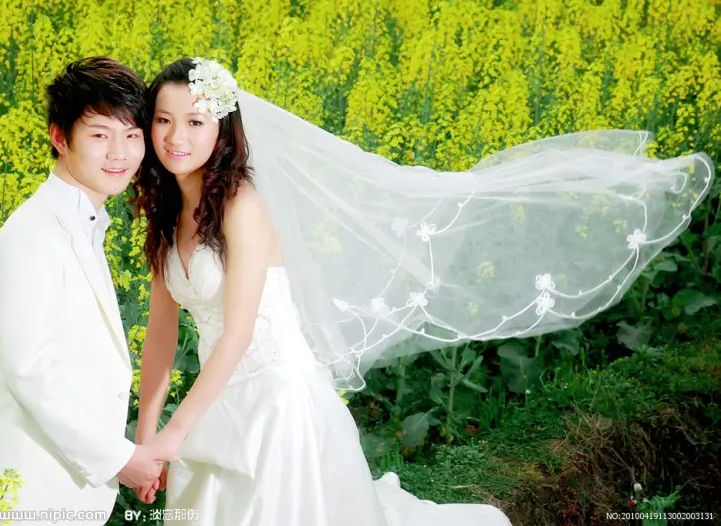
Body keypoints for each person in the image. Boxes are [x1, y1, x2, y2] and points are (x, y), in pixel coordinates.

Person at [132, 57, 713, 525]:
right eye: (163, 120)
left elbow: (237, 334)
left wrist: (176, 434)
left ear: (223, 128)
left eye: (196, 121)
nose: (176, 136)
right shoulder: (163, 211)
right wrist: (147, 436)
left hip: (274, 400)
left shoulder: (243, 206)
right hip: (217, 400)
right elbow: (161, 333)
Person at [0, 57, 174, 524]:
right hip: (25, 493)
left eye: (132, 135)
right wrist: (120, 458)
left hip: (60, 490)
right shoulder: (33, 233)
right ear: (60, 138)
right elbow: (31, 371)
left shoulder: (82, 224)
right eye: (100, 135)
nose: (119, 153)